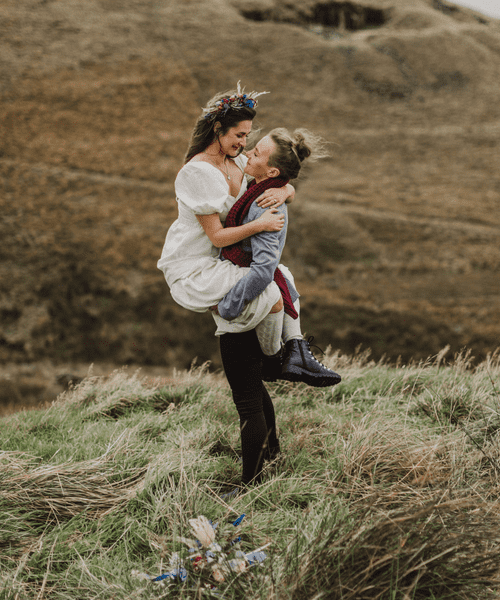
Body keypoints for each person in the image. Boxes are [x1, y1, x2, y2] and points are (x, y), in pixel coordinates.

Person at [213, 127, 341, 485]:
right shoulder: (264, 188)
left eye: (257, 152)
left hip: (249, 303)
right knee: (254, 385)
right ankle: (272, 454)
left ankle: (251, 483)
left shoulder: (266, 203)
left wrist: (229, 306)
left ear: (270, 171)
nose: (248, 153)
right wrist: (286, 187)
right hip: (253, 296)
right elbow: (273, 180)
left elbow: (264, 268)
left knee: (247, 398)